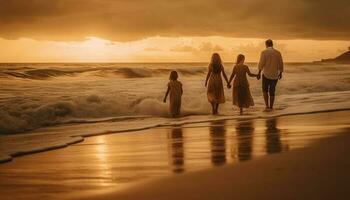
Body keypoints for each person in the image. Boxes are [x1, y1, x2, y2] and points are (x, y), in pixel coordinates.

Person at [257, 39, 284, 111]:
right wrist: (280, 72)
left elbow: (261, 63)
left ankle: (267, 106)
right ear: (272, 44)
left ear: (266, 44)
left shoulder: (264, 52)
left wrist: (259, 73)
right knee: (272, 91)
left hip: (266, 74)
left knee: (265, 90)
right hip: (275, 75)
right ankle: (271, 107)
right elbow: (281, 63)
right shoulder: (278, 53)